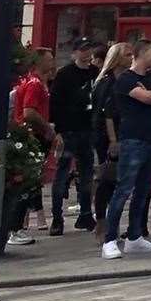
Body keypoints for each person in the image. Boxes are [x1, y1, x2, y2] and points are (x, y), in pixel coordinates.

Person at [102, 40, 151, 259]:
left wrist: (150, 97)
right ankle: (109, 240)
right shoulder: (125, 79)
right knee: (123, 190)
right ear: (141, 54)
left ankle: (135, 237)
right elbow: (146, 97)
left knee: (143, 191)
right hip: (132, 140)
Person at [49, 38, 100, 236]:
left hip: (88, 130)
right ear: (74, 53)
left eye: (89, 50)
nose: (86, 54)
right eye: (82, 50)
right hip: (68, 130)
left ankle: (86, 214)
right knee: (62, 173)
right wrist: (58, 130)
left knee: (87, 174)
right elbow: (55, 104)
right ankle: (57, 218)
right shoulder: (64, 74)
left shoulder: (95, 73)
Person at [9, 48, 57, 247]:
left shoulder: (36, 83)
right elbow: (29, 112)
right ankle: (15, 228)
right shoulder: (35, 84)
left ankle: (17, 226)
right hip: (32, 136)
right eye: (49, 59)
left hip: (34, 135)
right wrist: (47, 128)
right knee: (27, 182)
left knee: (31, 182)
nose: (53, 61)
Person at [91, 42, 130, 238]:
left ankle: (110, 222)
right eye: (128, 54)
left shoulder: (125, 80)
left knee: (117, 180)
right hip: (106, 137)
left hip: (122, 133)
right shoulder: (106, 82)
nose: (131, 57)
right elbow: (106, 113)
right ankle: (101, 222)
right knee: (107, 178)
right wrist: (113, 140)